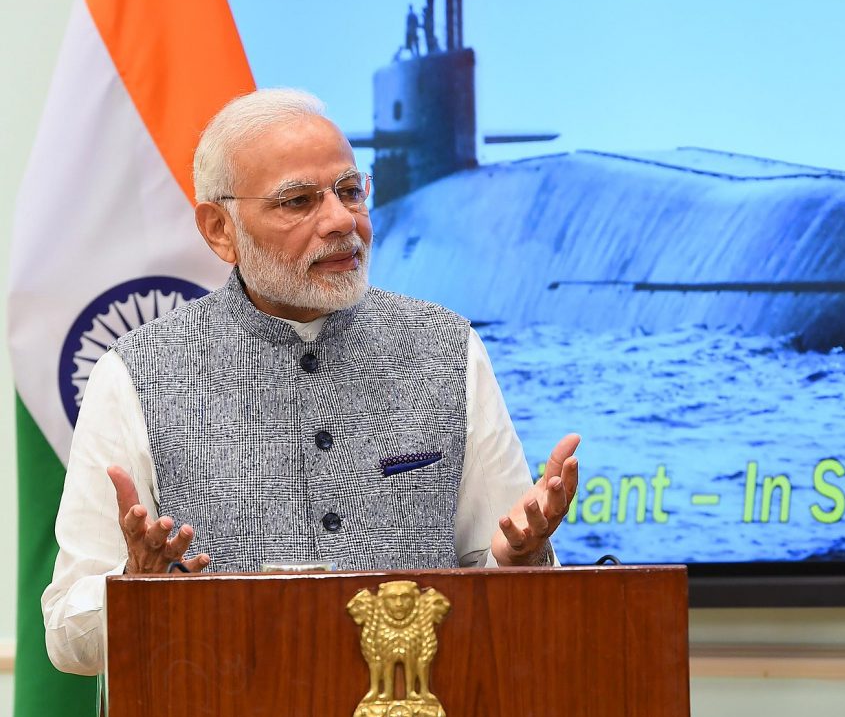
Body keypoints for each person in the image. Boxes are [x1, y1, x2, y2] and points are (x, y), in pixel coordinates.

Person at [42, 88, 579, 676]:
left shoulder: (447, 347)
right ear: (220, 229)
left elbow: (497, 571)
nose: (342, 221)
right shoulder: (135, 373)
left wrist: (521, 562)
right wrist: (134, 591)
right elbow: (69, 640)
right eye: (298, 202)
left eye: (351, 192)